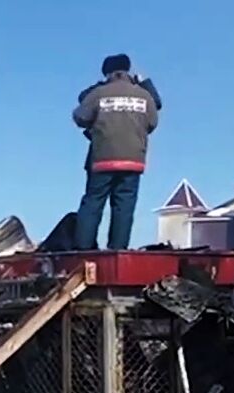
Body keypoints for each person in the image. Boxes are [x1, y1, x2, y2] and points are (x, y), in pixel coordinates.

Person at [72, 53, 159, 251]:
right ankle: (117, 249)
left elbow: (80, 117)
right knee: (124, 207)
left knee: (93, 202)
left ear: (107, 72)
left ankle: (84, 247)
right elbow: (153, 122)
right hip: (133, 160)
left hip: (102, 158)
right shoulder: (144, 96)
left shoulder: (99, 94)